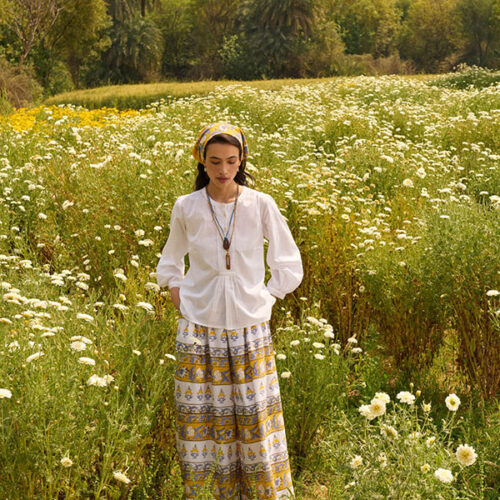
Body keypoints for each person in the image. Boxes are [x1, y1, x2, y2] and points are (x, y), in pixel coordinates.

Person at [156, 122, 303, 500]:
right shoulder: (186, 206)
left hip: (248, 328)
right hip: (199, 328)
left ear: (242, 161)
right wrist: (181, 298)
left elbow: (287, 261)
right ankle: (207, 493)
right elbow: (171, 261)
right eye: (215, 161)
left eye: (232, 161)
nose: (223, 170)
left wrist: (268, 296)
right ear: (201, 162)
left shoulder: (260, 204)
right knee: (202, 420)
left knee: (254, 418)